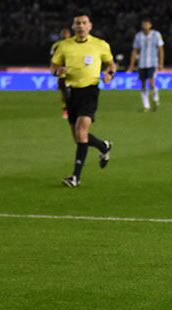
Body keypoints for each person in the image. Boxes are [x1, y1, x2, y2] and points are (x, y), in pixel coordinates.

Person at [50, 12, 116, 188]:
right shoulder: (64, 46)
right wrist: (58, 71)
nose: (80, 26)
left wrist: (110, 74)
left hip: (90, 91)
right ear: (73, 27)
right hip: (71, 93)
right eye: (77, 23)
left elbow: (111, 64)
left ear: (90, 26)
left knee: (81, 132)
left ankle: (75, 177)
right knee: (79, 137)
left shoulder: (100, 45)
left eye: (84, 23)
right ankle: (103, 146)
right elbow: (53, 67)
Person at [127, 18, 164, 112]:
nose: (145, 26)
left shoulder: (156, 34)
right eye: (143, 24)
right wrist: (132, 65)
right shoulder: (138, 36)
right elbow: (135, 51)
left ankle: (155, 97)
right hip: (142, 64)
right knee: (143, 85)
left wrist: (161, 63)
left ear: (150, 25)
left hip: (152, 63)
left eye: (147, 24)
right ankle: (146, 106)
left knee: (151, 83)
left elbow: (160, 49)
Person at [50, 27, 72, 119]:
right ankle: (65, 110)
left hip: (73, 73)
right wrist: (54, 69)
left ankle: (71, 109)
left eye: (66, 33)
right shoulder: (56, 45)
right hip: (62, 73)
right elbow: (53, 59)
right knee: (64, 93)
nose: (65, 35)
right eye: (63, 33)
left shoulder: (73, 44)